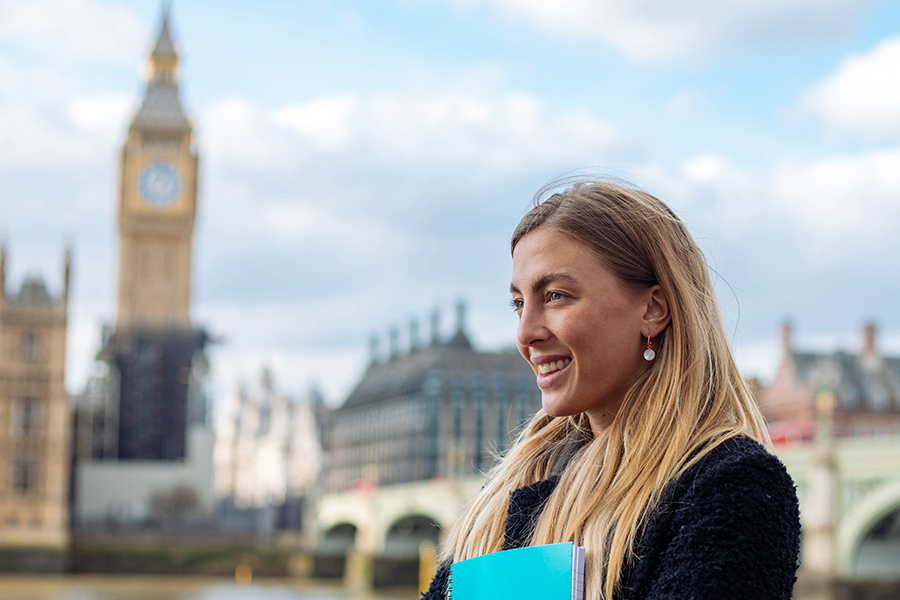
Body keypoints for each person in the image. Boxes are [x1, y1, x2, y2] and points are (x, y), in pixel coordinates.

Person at [422, 180, 801, 600]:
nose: (525, 333)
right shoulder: (510, 490)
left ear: (653, 309)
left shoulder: (731, 487)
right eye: (518, 304)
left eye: (556, 296)